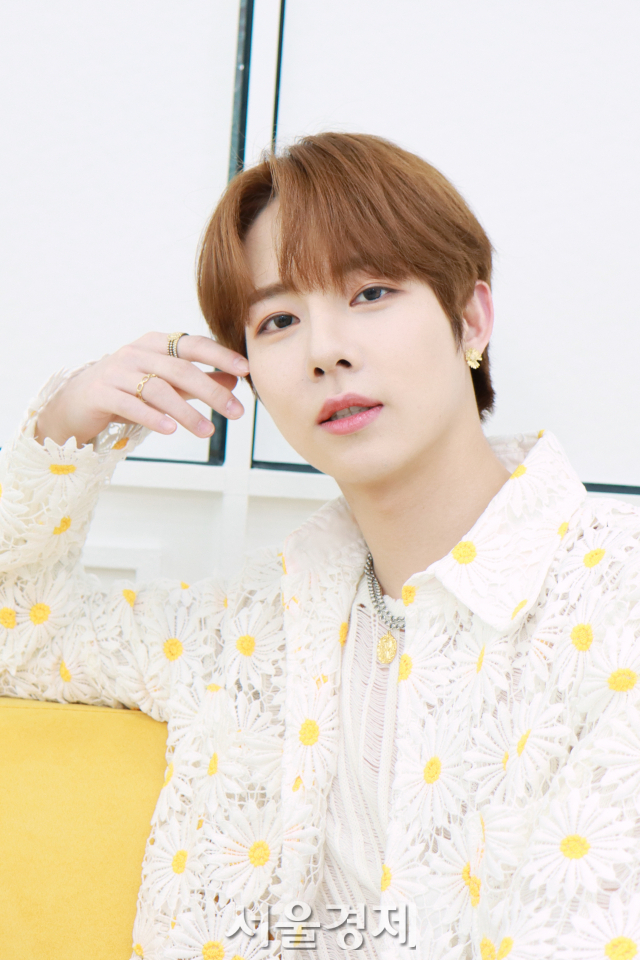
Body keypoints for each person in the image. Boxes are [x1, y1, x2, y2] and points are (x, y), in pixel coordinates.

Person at [1, 132, 639, 960]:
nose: (325, 350)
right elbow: (19, 632)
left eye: (371, 292)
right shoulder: (245, 631)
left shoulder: (614, 599)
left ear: (471, 318)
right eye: (279, 320)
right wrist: (69, 423)